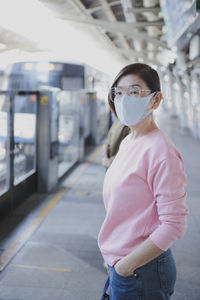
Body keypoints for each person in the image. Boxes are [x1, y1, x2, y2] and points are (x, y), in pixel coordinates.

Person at [98, 63, 188, 300]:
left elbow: (174, 224)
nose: (124, 99)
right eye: (118, 92)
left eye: (134, 92)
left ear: (155, 100)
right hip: (124, 264)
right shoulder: (130, 141)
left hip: (141, 270)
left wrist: (126, 267)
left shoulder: (161, 151)